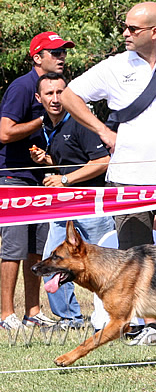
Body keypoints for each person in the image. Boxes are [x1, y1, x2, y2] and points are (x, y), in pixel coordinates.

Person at [60, 1, 156, 344]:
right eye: (126, 27)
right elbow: (71, 96)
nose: (125, 34)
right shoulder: (115, 66)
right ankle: (148, 327)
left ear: (155, 32)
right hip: (128, 181)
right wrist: (102, 130)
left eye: (133, 28)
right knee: (132, 260)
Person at [0, 32, 75, 330]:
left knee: (37, 248)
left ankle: (33, 311)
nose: (61, 57)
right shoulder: (22, 87)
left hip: (40, 178)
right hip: (13, 177)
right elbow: (4, 133)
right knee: (13, 248)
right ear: (37, 57)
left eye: (63, 52)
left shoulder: (57, 88)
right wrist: (41, 121)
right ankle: (6, 314)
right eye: (55, 52)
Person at [30, 72, 113, 330]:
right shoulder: (48, 126)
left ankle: (115, 317)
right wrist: (50, 163)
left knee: (105, 265)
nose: (55, 99)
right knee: (50, 260)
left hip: (92, 205)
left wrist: (65, 181)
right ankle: (70, 319)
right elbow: (73, 161)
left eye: (60, 93)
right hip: (65, 207)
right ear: (39, 98)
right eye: (49, 94)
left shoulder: (79, 123)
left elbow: (102, 161)